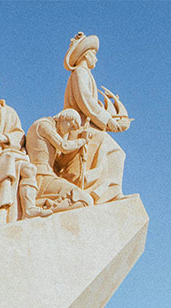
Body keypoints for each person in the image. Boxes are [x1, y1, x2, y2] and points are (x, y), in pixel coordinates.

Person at [59, 32, 128, 204]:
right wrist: (108, 120)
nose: (96, 60)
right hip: (82, 128)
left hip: (89, 127)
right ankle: (106, 194)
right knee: (116, 153)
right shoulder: (80, 73)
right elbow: (86, 101)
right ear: (86, 54)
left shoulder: (84, 74)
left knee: (112, 154)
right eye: (94, 55)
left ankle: (105, 192)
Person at [0, 69, 47, 223]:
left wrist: (4, 137)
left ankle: (29, 209)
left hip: (2, 157)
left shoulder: (7, 111)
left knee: (27, 168)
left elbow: (19, 134)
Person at [26, 109, 93, 212]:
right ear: (65, 118)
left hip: (47, 176)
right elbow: (64, 146)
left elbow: (61, 161)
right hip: (41, 176)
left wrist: (79, 147)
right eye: (71, 126)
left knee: (85, 200)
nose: (70, 131)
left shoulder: (52, 130)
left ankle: (41, 206)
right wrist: (82, 140)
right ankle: (42, 210)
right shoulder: (44, 125)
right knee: (83, 199)